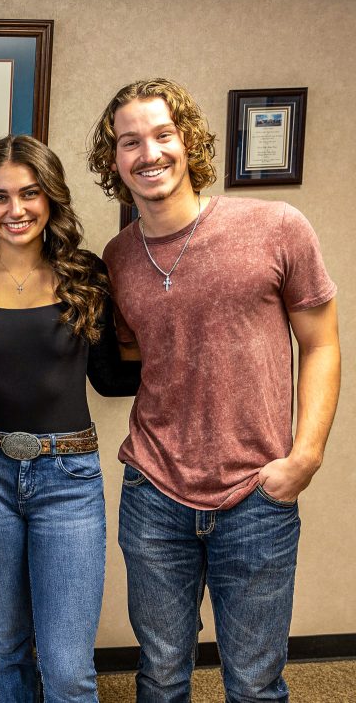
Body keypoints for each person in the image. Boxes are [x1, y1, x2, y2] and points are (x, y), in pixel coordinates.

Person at [87, 78, 340, 701]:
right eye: (129, 142)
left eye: (162, 135)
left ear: (190, 141)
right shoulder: (117, 257)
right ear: (113, 160)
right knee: (162, 675)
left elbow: (323, 344)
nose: (149, 153)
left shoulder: (276, 225)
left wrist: (304, 457)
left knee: (254, 683)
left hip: (257, 493)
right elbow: (141, 361)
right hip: (154, 493)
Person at [0, 135, 140, 702]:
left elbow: (110, 379)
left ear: (51, 198)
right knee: (5, 649)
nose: (16, 209)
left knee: (68, 667)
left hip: (68, 479)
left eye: (29, 194)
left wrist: (184, 349)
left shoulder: (86, 273)